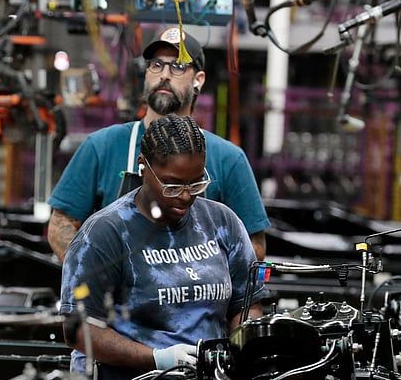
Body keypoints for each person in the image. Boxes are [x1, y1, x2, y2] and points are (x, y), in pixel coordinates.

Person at [58, 114, 258, 380]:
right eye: (172, 185)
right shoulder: (106, 234)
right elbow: (78, 330)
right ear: (143, 166)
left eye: (196, 184)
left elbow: (246, 304)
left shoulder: (222, 223)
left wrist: (237, 356)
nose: (185, 196)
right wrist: (156, 358)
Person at [47, 27, 270, 261]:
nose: (164, 74)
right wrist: (94, 271)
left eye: (178, 66)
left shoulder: (228, 159)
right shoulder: (101, 146)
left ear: (198, 80)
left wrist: (209, 274)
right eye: (156, 64)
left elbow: (254, 244)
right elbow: (61, 224)